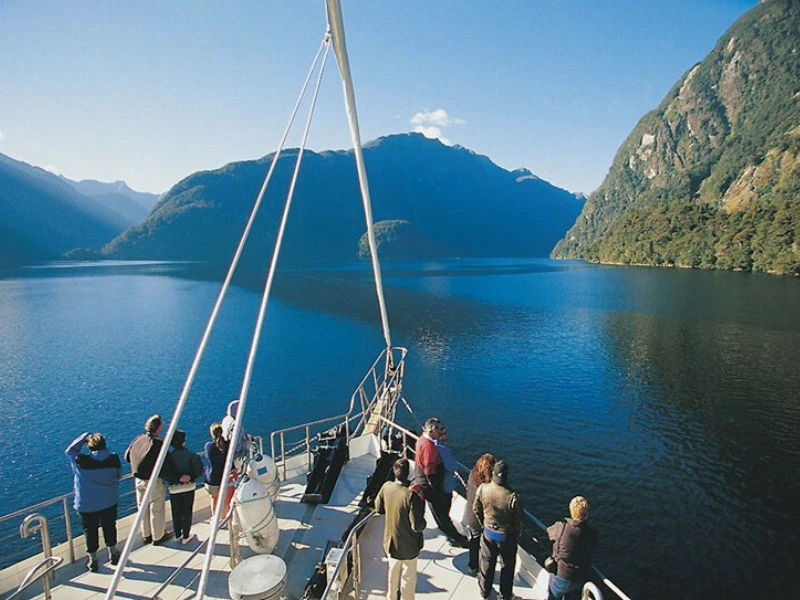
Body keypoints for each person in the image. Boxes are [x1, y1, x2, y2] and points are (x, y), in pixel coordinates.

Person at [65, 432, 121, 572]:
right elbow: (119, 475)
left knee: (90, 531)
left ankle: (93, 560)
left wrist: (84, 437)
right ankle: (113, 553)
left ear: (89, 446)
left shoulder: (80, 461)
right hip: (109, 500)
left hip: (87, 504)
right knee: (109, 526)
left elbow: (69, 451)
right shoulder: (113, 459)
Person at [375, 459, 426, 600]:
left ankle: (391, 597)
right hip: (409, 546)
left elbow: (378, 509)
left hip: (391, 543)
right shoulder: (411, 496)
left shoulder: (386, 487)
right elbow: (417, 526)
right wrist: (423, 519)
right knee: (408, 578)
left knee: (392, 574)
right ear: (409, 474)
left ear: (394, 471)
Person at [414, 417, 467, 547]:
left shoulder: (421, 440)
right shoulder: (429, 446)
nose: (440, 432)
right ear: (432, 430)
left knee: (439, 511)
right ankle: (455, 538)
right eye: (438, 429)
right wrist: (436, 490)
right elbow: (429, 470)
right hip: (430, 484)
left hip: (423, 480)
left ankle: (450, 533)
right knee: (441, 512)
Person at [474, 461, 522, 600]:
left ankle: (484, 591)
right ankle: (505, 596)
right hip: (507, 537)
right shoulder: (513, 496)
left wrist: (483, 524)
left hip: (488, 533)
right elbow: (519, 521)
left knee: (487, 563)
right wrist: (517, 533)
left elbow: (476, 509)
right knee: (507, 567)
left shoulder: (483, 488)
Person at [124, 414, 173, 545]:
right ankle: (158, 536)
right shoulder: (158, 444)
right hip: (153, 480)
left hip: (138, 479)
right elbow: (167, 463)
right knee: (156, 508)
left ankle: (147, 535)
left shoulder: (138, 439)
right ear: (159, 428)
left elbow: (127, 456)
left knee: (142, 508)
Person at [547, 496, 598, 600]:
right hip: (580, 578)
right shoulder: (592, 533)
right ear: (587, 514)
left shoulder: (561, 527)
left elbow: (549, 531)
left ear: (571, 511)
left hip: (563, 576)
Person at [166, 429, 204, 544]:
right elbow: (199, 471)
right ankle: (186, 535)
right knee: (187, 512)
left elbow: (165, 473)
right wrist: (190, 477)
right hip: (188, 487)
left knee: (176, 512)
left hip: (174, 488)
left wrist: (177, 478)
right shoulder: (192, 456)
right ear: (183, 441)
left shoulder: (168, 457)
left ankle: (178, 535)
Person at [464, 453, 496, 576]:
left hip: (470, 515)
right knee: (486, 546)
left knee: (474, 541)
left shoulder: (472, 474)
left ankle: (472, 566)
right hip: (482, 519)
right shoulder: (488, 485)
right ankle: (484, 570)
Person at [204, 422, 228, 515]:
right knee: (225, 499)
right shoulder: (227, 444)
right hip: (225, 476)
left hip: (213, 478)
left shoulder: (208, 446)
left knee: (214, 499)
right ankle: (224, 517)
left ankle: (215, 518)